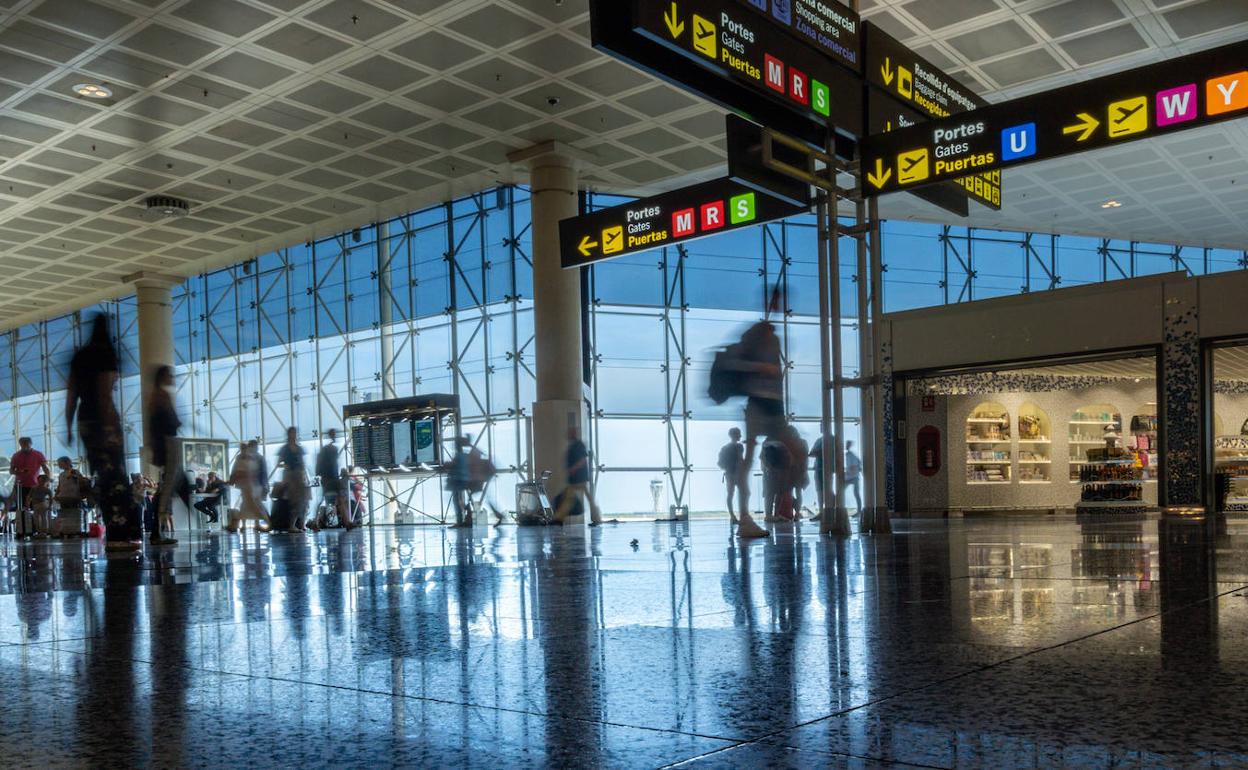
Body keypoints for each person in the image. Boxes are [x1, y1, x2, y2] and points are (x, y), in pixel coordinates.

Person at [67, 314, 139, 551]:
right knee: (116, 480)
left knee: (103, 477)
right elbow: (104, 393)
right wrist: (110, 426)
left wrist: (69, 426)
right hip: (103, 421)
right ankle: (120, 533)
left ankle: (113, 531)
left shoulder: (80, 357)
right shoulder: (105, 355)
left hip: (85, 420)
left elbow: (71, 395)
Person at [730, 287, 787, 538]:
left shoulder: (772, 336)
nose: (779, 305)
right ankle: (745, 517)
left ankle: (755, 513)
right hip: (759, 402)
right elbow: (736, 363)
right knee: (752, 453)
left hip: (771, 402)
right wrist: (761, 367)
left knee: (782, 451)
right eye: (776, 301)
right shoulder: (756, 333)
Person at [145, 365, 180, 546]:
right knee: (167, 487)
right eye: (169, 375)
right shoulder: (161, 396)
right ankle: (158, 530)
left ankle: (158, 530)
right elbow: (170, 423)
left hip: (163, 444)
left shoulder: (154, 396)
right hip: (168, 443)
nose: (172, 378)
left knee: (166, 486)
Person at [554, 426, 603, 526]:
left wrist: (573, 469)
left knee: (572, 497)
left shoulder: (579, 445)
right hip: (577, 478)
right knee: (577, 497)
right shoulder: (575, 445)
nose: (568, 435)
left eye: (570, 433)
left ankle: (559, 518)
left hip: (579, 477)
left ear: (574, 434)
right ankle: (596, 518)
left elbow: (582, 460)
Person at [9, 437, 50, 538]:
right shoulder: (16, 456)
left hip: (35, 486)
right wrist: (21, 472)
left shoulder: (38, 454)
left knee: (35, 508)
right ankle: (22, 529)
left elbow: (45, 468)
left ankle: (36, 529)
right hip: (20, 486)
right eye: (22, 444)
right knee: (22, 508)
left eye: (26, 444)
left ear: (31, 443)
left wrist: (47, 480)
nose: (24, 446)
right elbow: (11, 471)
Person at [227, 442, 270, 533]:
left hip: (251, 486)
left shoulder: (251, 459)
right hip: (248, 486)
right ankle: (239, 524)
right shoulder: (246, 459)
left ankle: (237, 524)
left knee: (253, 506)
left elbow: (241, 472)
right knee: (249, 505)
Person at [275, 427, 309, 532]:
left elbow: (303, 464)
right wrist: (285, 466)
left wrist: (305, 476)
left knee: (303, 500)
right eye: (291, 433)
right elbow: (278, 463)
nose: (293, 435)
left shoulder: (299, 448)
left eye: (294, 433)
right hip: (290, 477)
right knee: (295, 501)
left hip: (299, 476)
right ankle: (292, 525)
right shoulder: (285, 449)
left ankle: (301, 524)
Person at [53, 457, 89, 537]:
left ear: (67, 463)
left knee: (73, 512)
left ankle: (74, 530)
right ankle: (67, 529)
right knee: (65, 513)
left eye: (60, 463)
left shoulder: (75, 472)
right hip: (64, 496)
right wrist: (56, 495)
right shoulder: (61, 474)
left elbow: (81, 481)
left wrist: (76, 477)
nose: (59, 465)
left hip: (73, 495)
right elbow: (60, 485)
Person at [717, 428, 745, 525]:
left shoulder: (725, 448)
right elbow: (740, 460)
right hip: (737, 473)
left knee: (730, 494)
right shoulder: (739, 447)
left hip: (729, 473)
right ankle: (741, 515)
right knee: (742, 494)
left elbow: (720, 463)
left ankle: (732, 516)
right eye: (738, 434)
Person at [315, 428, 341, 526]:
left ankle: (318, 521)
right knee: (327, 499)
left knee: (329, 500)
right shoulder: (330, 449)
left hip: (331, 477)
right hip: (330, 477)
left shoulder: (330, 448)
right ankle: (317, 521)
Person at [845, 440, 863, 513]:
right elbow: (858, 463)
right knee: (856, 493)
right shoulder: (849, 454)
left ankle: (859, 511)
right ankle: (858, 511)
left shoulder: (851, 455)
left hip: (853, 477)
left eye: (847, 445)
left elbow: (856, 464)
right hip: (851, 476)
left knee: (856, 493)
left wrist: (851, 471)